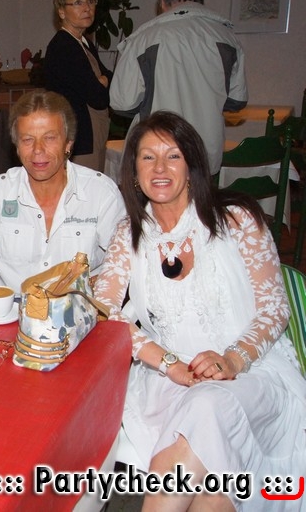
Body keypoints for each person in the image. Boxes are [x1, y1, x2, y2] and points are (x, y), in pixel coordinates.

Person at [94, 111, 306, 510]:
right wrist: (168, 363)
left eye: (172, 156)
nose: (160, 168)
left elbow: (275, 308)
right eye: (148, 157)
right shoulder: (129, 234)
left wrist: (232, 359)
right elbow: (103, 311)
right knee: (211, 479)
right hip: (171, 380)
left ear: (192, 166)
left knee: (208, 407)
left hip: (251, 372)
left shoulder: (237, 220)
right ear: (134, 172)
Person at [0, 89, 125, 293]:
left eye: (49, 138)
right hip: (13, 309)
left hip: (81, 308)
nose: (38, 149)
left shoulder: (101, 193)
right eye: (27, 139)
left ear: (68, 143)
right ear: (17, 147)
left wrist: (100, 283)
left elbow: (127, 263)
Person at [110, 0, 248, 176]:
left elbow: (122, 103)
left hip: (159, 151)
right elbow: (236, 101)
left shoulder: (144, 39)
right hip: (205, 152)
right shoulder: (228, 37)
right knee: (198, 196)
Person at [44, 0, 112, 172]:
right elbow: (98, 97)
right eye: (78, 2)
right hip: (79, 141)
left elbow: (109, 76)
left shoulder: (83, 43)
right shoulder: (64, 47)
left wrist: (103, 80)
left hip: (92, 136)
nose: (87, 8)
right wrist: (101, 82)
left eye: (90, 1)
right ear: (61, 11)